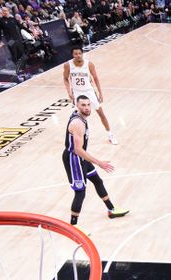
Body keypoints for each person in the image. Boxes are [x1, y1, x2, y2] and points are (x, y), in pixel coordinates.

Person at [63, 95, 128, 227]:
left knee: (97, 181)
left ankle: (111, 210)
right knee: (80, 192)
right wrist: (99, 163)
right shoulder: (78, 123)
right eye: (83, 105)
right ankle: (74, 226)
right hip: (74, 159)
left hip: (81, 157)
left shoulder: (81, 117)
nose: (87, 108)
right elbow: (78, 149)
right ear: (77, 105)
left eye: (88, 105)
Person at [63, 46, 117, 145]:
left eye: (80, 53)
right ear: (72, 55)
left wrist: (100, 92)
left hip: (89, 91)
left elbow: (96, 78)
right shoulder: (68, 65)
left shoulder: (89, 64)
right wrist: (69, 92)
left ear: (82, 54)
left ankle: (110, 135)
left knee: (101, 113)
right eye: (76, 54)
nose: (78, 55)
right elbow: (65, 79)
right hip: (77, 92)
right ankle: (77, 136)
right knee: (78, 116)